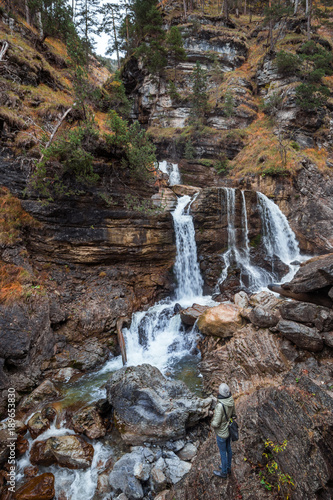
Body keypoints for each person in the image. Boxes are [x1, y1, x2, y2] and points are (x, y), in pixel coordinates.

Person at [211, 382, 237, 479]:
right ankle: (228, 467)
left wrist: (212, 423)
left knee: (223, 452)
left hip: (221, 433)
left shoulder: (220, 406)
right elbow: (234, 414)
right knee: (228, 449)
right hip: (229, 430)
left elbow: (216, 423)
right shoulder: (231, 400)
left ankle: (224, 472)